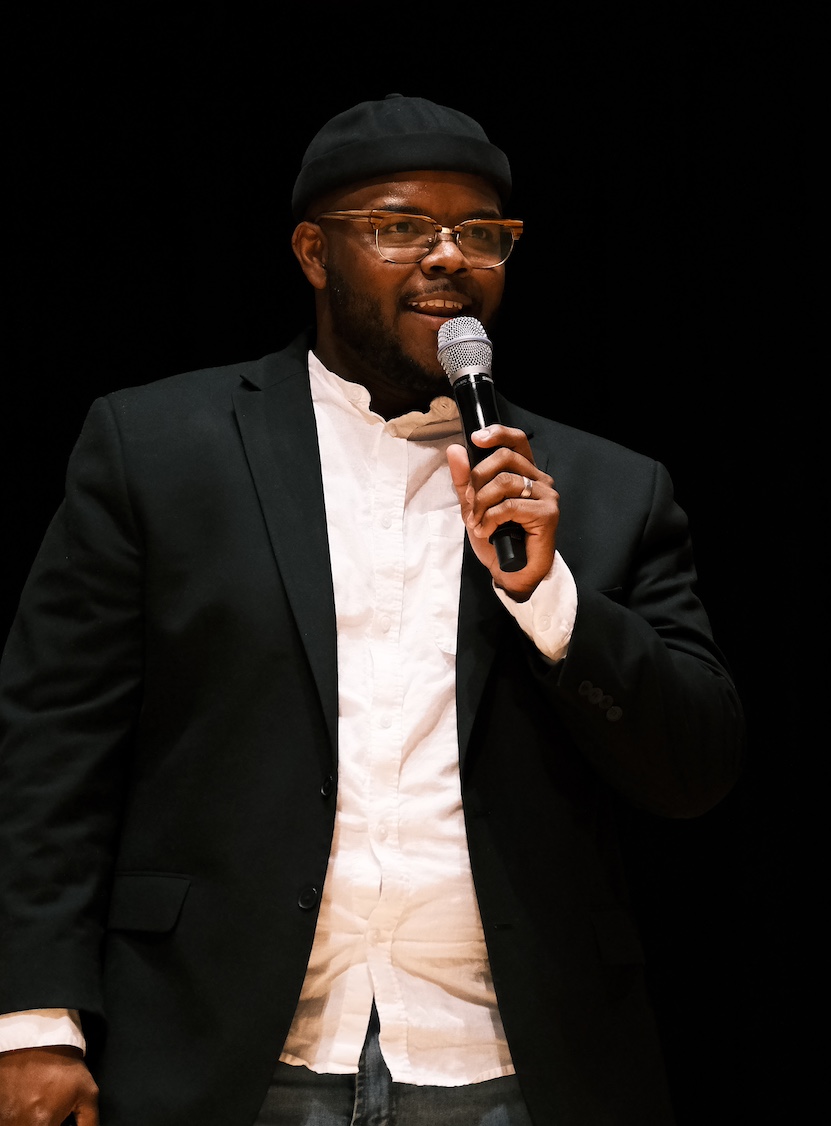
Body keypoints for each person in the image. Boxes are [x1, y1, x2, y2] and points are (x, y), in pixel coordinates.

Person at [0, 94, 743, 1125]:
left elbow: (694, 766)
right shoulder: (161, 449)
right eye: (400, 227)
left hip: (510, 1063)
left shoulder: (609, 489)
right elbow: (53, 743)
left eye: (480, 235)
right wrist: (37, 1017)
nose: (448, 258)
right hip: (225, 1048)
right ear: (312, 252)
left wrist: (551, 598)